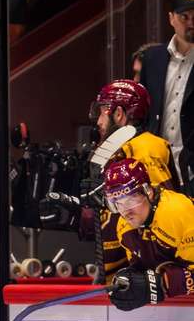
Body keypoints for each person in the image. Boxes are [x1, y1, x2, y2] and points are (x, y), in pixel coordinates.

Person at [39, 80, 178, 281]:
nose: (98, 122)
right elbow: (112, 217)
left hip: (142, 282)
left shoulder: (145, 149)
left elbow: (161, 220)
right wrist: (76, 216)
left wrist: (151, 281)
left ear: (119, 113)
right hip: (120, 277)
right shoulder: (117, 152)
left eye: (103, 111)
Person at [104, 158, 194, 311]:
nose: (126, 212)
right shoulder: (124, 227)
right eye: (117, 202)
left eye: (131, 199)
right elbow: (144, 272)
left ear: (149, 192)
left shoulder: (178, 213)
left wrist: (163, 284)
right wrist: (130, 281)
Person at [138, 0, 194, 185]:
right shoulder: (153, 58)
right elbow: (142, 109)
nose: (191, 23)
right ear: (171, 18)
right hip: (156, 164)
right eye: (184, 17)